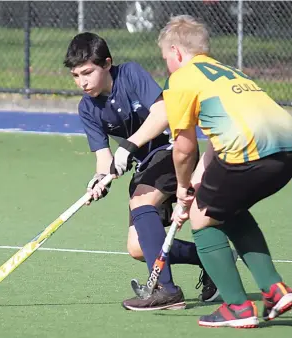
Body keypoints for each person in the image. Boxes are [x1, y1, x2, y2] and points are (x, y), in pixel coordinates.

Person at [112, 14, 292, 327]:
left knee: (201, 215)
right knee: (227, 211)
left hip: (248, 151)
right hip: (285, 150)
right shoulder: (226, 72)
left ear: (176, 53)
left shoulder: (181, 79)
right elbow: (214, 140)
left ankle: (237, 307)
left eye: (166, 58)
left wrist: (183, 191)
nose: (167, 64)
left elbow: (184, 149)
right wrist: (195, 182)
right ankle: (274, 289)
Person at [63, 32, 224, 311]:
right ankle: (210, 258)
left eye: (87, 73)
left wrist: (128, 146)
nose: (82, 82)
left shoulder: (130, 74)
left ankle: (166, 291)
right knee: (139, 248)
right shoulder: (86, 107)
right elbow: (104, 157)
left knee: (140, 201)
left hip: (173, 150)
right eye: (76, 76)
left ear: (107, 64)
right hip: (145, 166)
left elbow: (164, 113)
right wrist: (100, 180)